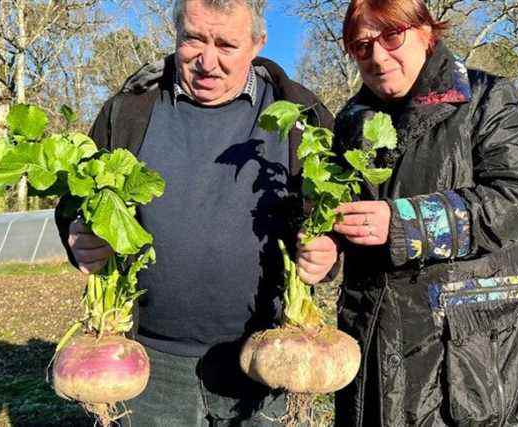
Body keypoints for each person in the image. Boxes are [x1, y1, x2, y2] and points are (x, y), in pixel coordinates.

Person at [54, 0, 336, 424]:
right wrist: (76, 234)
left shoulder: (301, 115)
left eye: (226, 44)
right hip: (150, 365)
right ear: (176, 34)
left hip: (267, 355)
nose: (207, 61)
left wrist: (331, 250)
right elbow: (78, 201)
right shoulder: (130, 109)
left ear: (258, 43)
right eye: (194, 39)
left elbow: (335, 214)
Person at [326, 0, 518, 425]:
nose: (377, 56)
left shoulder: (484, 98)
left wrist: (405, 223)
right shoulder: (349, 123)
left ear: (427, 32)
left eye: (392, 36)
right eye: (361, 46)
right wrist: (326, 244)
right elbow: (346, 217)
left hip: (476, 352)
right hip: (377, 339)